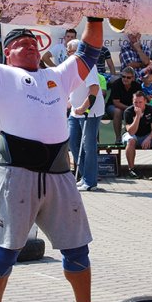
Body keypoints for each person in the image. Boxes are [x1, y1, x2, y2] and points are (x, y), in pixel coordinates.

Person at [0, 8, 120, 302]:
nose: (30, 46)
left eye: (34, 42)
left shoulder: (57, 76)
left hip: (59, 173)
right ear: (7, 52)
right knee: (5, 250)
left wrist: (98, 16)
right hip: (16, 172)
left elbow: (90, 52)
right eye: (22, 43)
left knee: (77, 248)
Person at [67, 39, 105, 191]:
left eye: (70, 51)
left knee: (88, 145)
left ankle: (90, 182)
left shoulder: (89, 66)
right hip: (74, 111)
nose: (68, 54)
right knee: (72, 142)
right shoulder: (70, 67)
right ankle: (84, 176)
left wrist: (83, 107)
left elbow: (94, 89)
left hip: (90, 111)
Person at [123, 91, 152, 179]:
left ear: (145, 101)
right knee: (130, 141)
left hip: (147, 134)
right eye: (135, 102)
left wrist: (149, 138)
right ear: (132, 101)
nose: (138, 105)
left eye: (140, 102)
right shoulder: (128, 111)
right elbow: (131, 132)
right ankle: (131, 169)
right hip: (133, 135)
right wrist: (138, 116)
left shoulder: (151, 109)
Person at [105, 67, 142, 143]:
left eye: (128, 77)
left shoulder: (137, 86)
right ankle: (118, 139)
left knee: (138, 110)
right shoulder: (116, 84)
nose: (125, 79)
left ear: (133, 78)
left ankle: (135, 136)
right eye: (123, 76)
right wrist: (129, 108)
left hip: (130, 107)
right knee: (118, 111)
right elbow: (116, 103)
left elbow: (139, 100)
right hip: (113, 106)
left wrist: (132, 109)